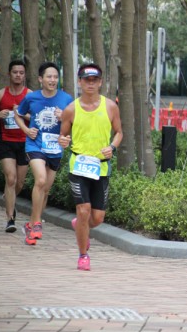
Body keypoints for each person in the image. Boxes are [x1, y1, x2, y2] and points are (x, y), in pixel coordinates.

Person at [58, 63, 123, 271]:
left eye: (94, 80)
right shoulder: (71, 109)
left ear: (100, 82)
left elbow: (119, 132)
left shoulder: (110, 106)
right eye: (87, 80)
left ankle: (80, 226)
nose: (91, 84)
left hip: (100, 167)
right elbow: (62, 136)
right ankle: (83, 255)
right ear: (80, 82)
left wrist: (112, 147)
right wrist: (63, 141)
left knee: (97, 218)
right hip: (78, 167)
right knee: (83, 210)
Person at [15, 62, 73, 245]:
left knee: (45, 189)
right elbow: (17, 114)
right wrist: (26, 130)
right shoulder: (32, 97)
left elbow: (75, 122)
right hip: (35, 145)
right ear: (41, 79)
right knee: (40, 180)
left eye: (55, 77)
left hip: (55, 148)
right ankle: (37, 223)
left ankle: (31, 225)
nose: (52, 80)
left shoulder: (66, 99)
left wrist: (64, 117)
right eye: (49, 76)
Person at [0, 60, 31, 233]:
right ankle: (10, 218)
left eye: (21, 72)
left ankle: (10, 198)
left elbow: (36, 118)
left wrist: (22, 114)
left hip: (25, 142)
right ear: (9, 74)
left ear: (25, 75)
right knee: (10, 178)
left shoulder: (30, 95)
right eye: (15, 72)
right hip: (5, 141)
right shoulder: (0, 95)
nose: (18, 75)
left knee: (19, 182)